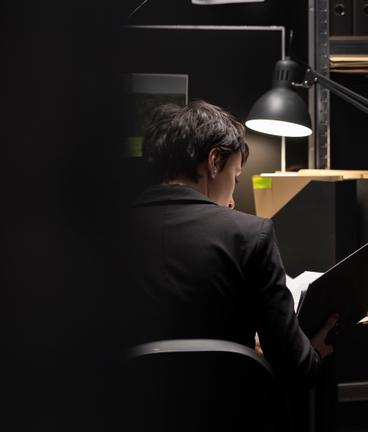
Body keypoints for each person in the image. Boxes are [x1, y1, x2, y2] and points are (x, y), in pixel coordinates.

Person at [121, 100, 338, 389]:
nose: (232, 201)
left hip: (130, 410)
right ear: (214, 161)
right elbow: (294, 364)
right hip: (229, 411)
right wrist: (314, 356)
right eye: (235, 177)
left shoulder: (104, 237)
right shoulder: (249, 234)